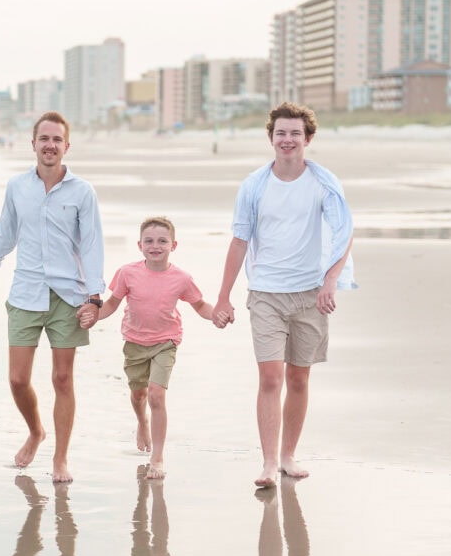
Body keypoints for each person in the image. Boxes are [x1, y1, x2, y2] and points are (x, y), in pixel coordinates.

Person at [212, 102, 355, 487]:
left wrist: (330, 282)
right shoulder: (255, 185)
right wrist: (223, 297)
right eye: (280, 133)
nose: (287, 140)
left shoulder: (323, 183)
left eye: (294, 133)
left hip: (310, 293)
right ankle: (269, 462)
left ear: (307, 138)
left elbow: (344, 234)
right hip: (266, 294)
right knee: (271, 378)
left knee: (299, 379)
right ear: (271, 138)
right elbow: (240, 241)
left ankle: (290, 455)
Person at [0, 111, 104, 484]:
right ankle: (35, 431)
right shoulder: (17, 186)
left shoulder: (82, 191)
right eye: (43, 139)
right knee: (17, 379)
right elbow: (6, 232)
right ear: (33, 144)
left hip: (68, 295)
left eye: (56, 140)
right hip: (26, 292)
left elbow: (92, 243)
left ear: (66, 146)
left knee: (63, 379)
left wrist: (94, 298)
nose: (50, 145)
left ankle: (60, 458)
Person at [92, 216, 214, 480]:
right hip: (134, 342)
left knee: (156, 395)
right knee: (139, 396)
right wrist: (94, 316)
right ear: (139, 245)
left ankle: (157, 458)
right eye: (149, 241)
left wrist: (217, 315)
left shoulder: (181, 278)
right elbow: (112, 304)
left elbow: (201, 305)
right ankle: (142, 422)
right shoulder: (127, 273)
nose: (155, 246)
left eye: (162, 241)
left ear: (174, 245)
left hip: (165, 342)